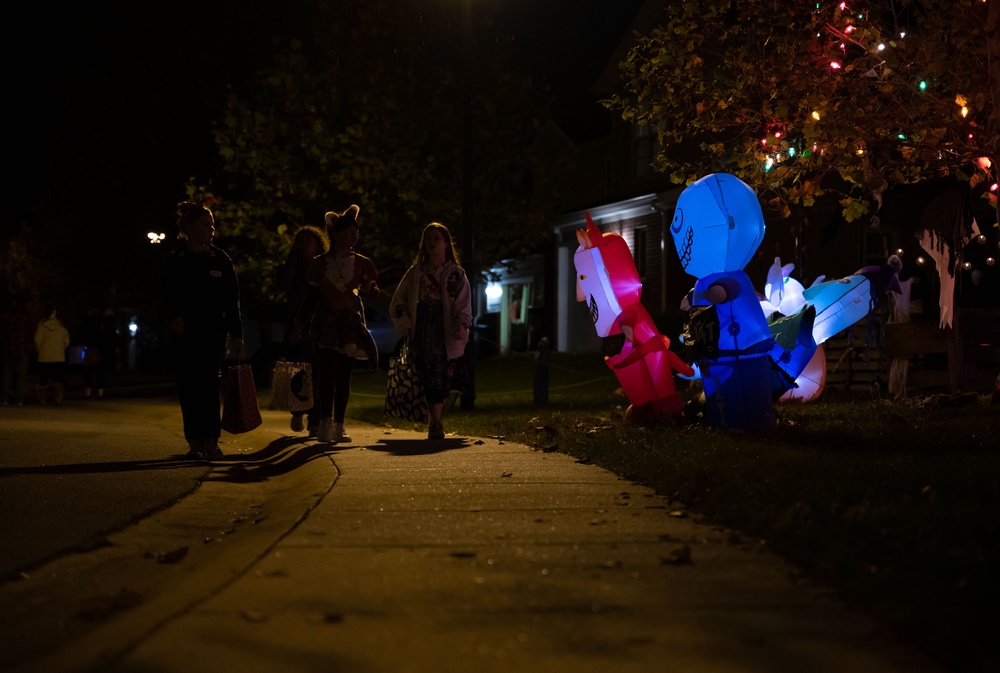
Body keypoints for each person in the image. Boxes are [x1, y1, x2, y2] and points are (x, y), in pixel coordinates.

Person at [164, 199, 244, 460]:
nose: (211, 229)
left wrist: (237, 333)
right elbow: (166, 294)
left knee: (210, 383)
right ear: (189, 227)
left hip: (213, 332)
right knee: (189, 385)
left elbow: (232, 299)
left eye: (212, 224)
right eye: (205, 224)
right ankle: (195, 441)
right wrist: (173, 315)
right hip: (184, 334)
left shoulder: (220, 259)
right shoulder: (175, 260)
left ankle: (211, 439)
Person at [292, 204, 379, 444]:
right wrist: (299, 323)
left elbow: (367, 289)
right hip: (326, 324)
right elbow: (311, 298)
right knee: (326, 374)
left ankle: (339, 425)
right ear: (335, 234)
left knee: (344, 376)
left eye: (356, 231)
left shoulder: (362, 263)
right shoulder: (320, 264)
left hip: (349, 324)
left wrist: (370, 290)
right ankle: (324, 423)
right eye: (348, 230)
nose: (353, 235)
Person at [389, 222, 473, 439]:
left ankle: (436, 419)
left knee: (444, 376)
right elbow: (398, 301)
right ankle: (435, 422)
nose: (431, 243)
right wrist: (406, 322)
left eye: (436, 238)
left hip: (446, 329)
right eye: (428, 239)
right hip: (423, 329)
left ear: (446, 242)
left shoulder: (456, 274)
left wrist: (461, 324)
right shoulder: (415, 273)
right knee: (428, 373)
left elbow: (464, 304)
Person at [276, 225, 329, 435]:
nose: (305, 245)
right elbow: (283, 285)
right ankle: (297, 411)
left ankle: (315, 419)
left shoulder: (325, 266)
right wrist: (292, 261)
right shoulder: (292, 267)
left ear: (318, 244)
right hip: (295, 324)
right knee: (297, 371)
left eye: (309, 241)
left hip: (319, 325)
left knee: (317, 372)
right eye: (301, 241)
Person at [1, 293, 34, 406]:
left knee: (7, 376)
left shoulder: (6, 317)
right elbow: (30, 333)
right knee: (21, 377)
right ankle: (20, 400)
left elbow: (3, 333)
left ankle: (5, 399)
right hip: (22, 350)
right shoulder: (26, 317)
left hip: (8, 349)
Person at [34, 304, 71, 406]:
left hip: (44, 356)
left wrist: (39, 349)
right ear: (54, 313)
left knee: (43, 378)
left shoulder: (42, 326)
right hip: (58, 356)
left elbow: (37, 340)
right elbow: (66, 341)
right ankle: (57, 398)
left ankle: (42, 399)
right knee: (58, 378)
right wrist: (60, 349)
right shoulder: (61, 327)